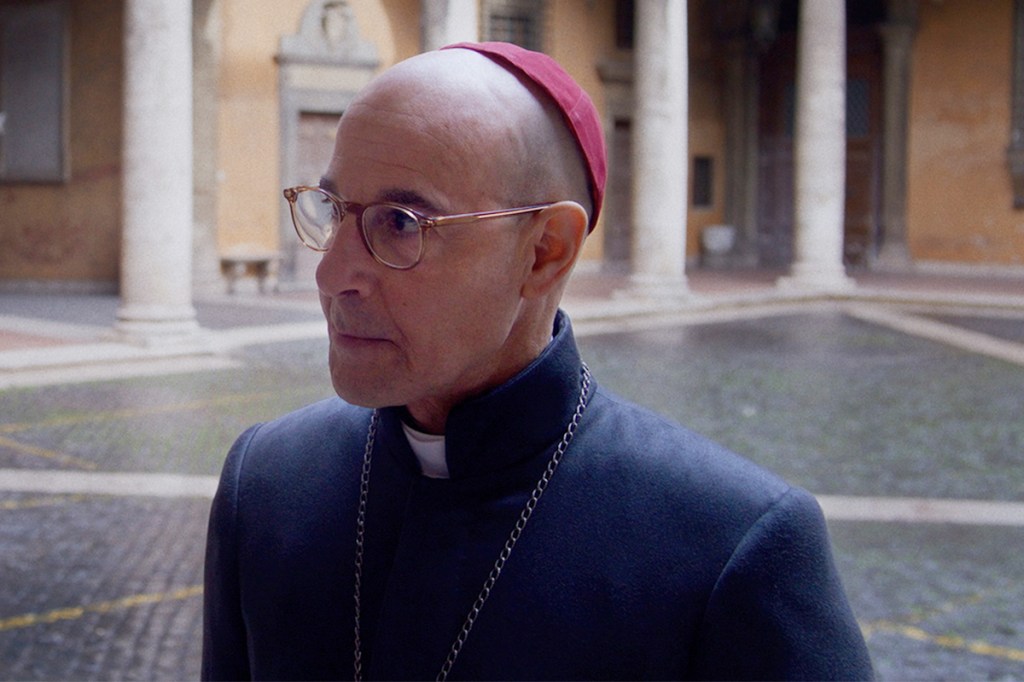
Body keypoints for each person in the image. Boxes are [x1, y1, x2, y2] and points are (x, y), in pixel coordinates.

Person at [202, 42, 873, 681]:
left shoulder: (736, 548)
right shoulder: (265, 482)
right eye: (332, 209)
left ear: (546, 250)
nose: (333, 274)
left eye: (401, 222)